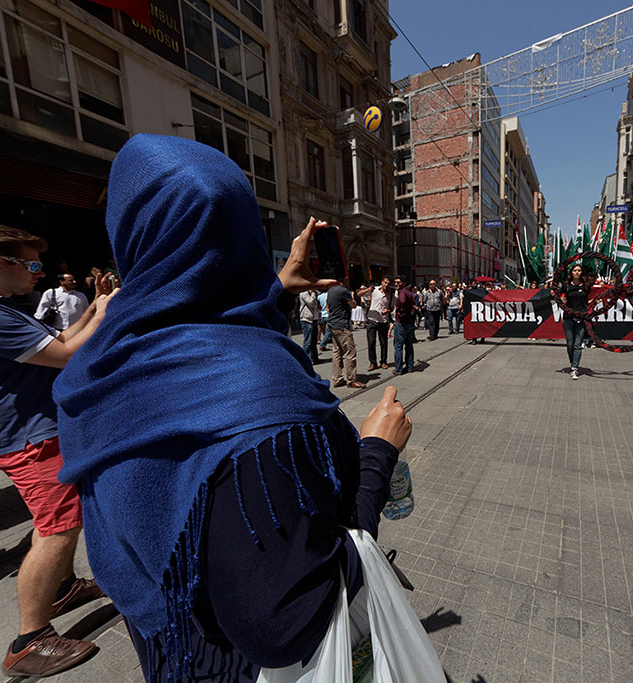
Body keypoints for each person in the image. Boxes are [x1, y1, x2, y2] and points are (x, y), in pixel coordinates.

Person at [52, 135, 416, 682]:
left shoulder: (100, 364)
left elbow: (193, 323)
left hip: (171, 646)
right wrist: (375, 456)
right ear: (244, 234)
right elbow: (285, 624)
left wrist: (274, 291)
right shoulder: (262, 396)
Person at [0, 222, 114, 677]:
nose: (40, 273)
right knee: (58, 528)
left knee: (57, 522)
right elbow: (69, 355)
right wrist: (106, 315)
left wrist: (94, 307)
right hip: (26, 438)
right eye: (31, 263)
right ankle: (29, 639)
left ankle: (64, 586)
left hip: (28, 431)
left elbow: (62, 342)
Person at [326, 280, 365, 389]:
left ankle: (337, 378)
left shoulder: (331, 290)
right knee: (350, 352)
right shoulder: (343, 291)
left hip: (333, 324)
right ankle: (351, 379)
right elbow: (353, 305)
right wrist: (352, 298)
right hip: (342, 325)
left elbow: (327, 306)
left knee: (337, 352)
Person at [559, 264, 590, 380]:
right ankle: (572, 361)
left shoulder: (586, 286)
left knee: (577, 344)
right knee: (570, 343)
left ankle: (574, 368)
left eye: (579, 270)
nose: (577, 272)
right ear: (571, 273)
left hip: (581, 317)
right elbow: (560, 298)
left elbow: (587, 301)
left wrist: (596, 302)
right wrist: (561, 300)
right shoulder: (566, 286)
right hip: (568, 317)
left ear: (582, 272)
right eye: (575, 270)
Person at [366, 276, 392, 371]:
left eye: (388, 283)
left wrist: (388, 310)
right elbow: (359, 294)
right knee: (371, 342)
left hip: (383, 321)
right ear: (381, 282)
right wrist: (367, 290)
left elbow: (392, 307)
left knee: (383, 342)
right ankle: (373, 362)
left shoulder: (391, 294)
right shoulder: (374, 290)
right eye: (385, 282)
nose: (386, 285)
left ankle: (383, 361)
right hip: (372, 320)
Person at [392, 274, 416, 374]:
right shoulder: (410, 293)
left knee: (398, 347)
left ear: (404, 283)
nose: (396, 284)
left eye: (398, 282)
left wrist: (400, 310)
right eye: (395, 282)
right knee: (409, 345)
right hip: (409, 322)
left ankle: (398, 369)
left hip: (401, 323)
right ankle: (410, 367)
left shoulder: (402, 292)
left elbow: (402, 301)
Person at [298, 288, 320, 364]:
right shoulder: (303, 293)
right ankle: (305, 360)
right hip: (306, 319)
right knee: (308, 342)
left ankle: (315, 358)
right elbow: (311, 303)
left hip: (314, 319)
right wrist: (313, 294)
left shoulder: (314, 292)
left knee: (314, 341)